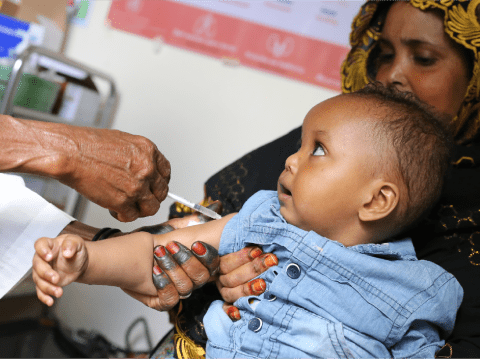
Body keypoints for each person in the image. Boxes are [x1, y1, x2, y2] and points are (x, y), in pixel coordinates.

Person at [32, 84, 463, 359]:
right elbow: (157, 255)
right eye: (299, 144)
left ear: (377, 200)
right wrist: (87, 261)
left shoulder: (420, 290)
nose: (291, 159)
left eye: (317, 150)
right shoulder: (261, 218)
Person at [158, 0, 480, 358]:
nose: (392, 75)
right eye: (385, 54)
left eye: (423, 58)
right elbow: (178, 245)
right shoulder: (335, 138)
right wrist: (218, 267)